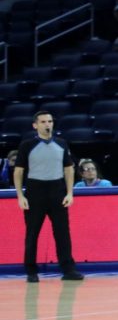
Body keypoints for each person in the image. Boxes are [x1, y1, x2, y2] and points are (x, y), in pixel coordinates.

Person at [14, 112, 84, 283]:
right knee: (32, 233)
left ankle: (68, 269)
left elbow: (68, 169)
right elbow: (19, 171)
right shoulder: (27, 145)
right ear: (35, 125)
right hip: (35, 191)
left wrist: (69, 193)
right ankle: (31, 271)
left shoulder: (61, 143)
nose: (48, 124)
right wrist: (20, 196)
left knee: (62, 233)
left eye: (50, 121)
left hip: (57, 190)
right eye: (43, 121)